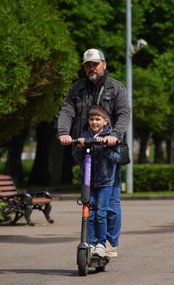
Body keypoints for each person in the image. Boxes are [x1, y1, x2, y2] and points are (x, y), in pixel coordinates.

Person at [57, 48, 130, 257]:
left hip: (109, 150)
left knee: (111, 203)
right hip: (85, 147)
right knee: (89, 200)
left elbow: (124, 114)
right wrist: (63, 132)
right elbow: (67, 111)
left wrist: (114, 135)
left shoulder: (116, 88)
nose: (91, 68)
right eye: (88, 65)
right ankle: (90, 241)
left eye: (95, 64)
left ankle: (108, 242)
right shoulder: (77, 89)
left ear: (104, 64)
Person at [72, 106, 120, 257]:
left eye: (98, 119)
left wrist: (105, 146)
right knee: (89, 213)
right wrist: (79, 146)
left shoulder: (111, 136)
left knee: (101, 213)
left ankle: (101, 244)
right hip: (88, 183)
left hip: (105, 183)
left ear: (105, 121)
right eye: (91, 119)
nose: (94, 122)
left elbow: (117, 159)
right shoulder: (84, 135)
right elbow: (77, 158)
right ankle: (91, 243)